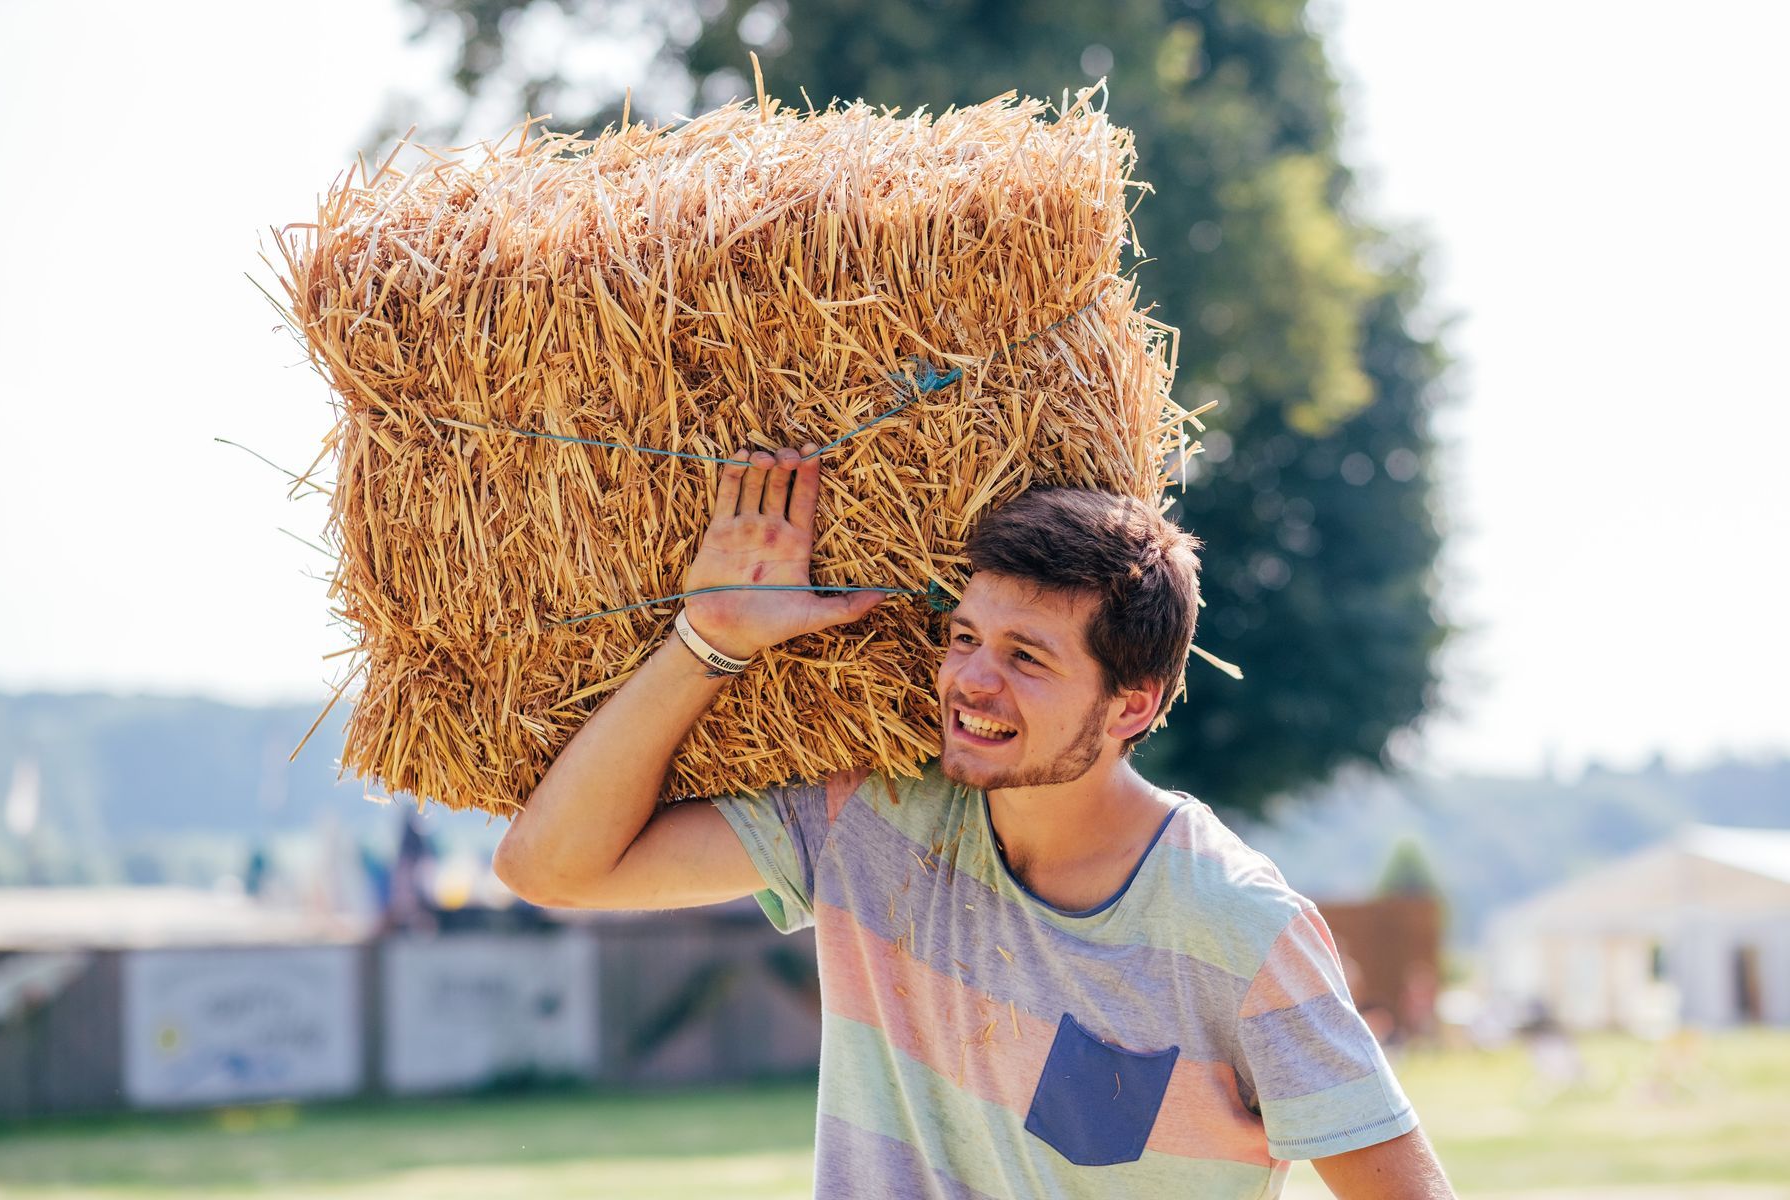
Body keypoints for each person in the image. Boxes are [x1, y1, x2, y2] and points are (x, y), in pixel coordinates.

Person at [494, 444, 1456, 1199]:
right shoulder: (872, 820)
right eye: (965, 638)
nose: (970, 681)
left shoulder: (1241, 930)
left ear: (1132, 705)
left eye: (1027, 658)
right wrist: (711, 640)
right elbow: (553, 868)